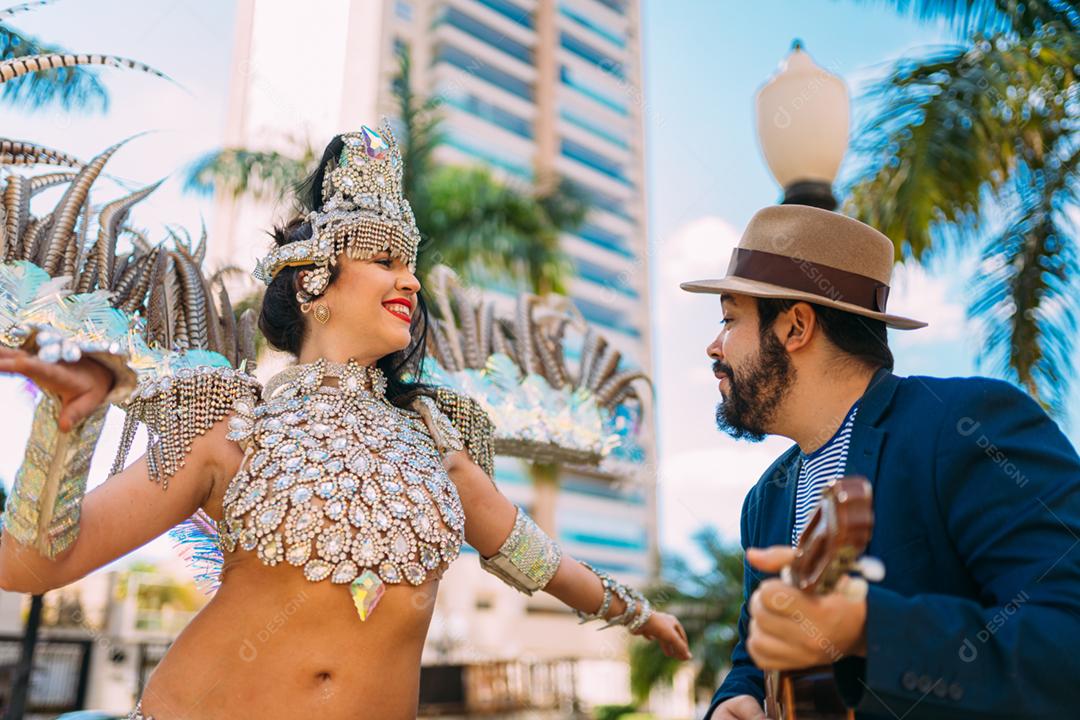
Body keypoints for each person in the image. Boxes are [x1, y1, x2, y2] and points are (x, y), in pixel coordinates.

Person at [0, 123, 690, 720]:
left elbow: (542, 561)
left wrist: (636, 613)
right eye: (385, 261)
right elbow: (30, 567)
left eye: (412, 266)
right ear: (311, 282)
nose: (411, 282)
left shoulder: (436, 449)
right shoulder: (231, 426)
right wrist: (67, 423)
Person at [681, 205, 1080, 720]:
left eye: (729, 318)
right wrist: (737, 697)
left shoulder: (968, 425)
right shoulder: (766, 498)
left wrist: (868, 627)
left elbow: (1066, 640)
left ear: (796, 326)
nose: (714, 346)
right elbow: (753, 657)